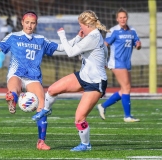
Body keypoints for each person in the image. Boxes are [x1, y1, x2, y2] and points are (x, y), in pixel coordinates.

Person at [0, 11, 67, 150]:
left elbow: (61, 48)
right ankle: (12, 99)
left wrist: (77, 39)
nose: (30, 26)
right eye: (27, 22)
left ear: (36, 24)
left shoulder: (41, 39)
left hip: (33, 77)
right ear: (22, 22)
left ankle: (41, 142)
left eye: (33, 23)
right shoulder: (13, 37)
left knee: (42, 104)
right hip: (16, 74)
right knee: (14, 90)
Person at [32, 10, 110, 151]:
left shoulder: (93, 37)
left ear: (87, 25)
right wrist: (104, 61)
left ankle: (86, 145)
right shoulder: (93, 36)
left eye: (81, 26)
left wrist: (62, 35)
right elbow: (104, 50)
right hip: (83, 76)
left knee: (79, 118)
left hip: (95, 82)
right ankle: (46, 110)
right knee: (52, 90)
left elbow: (70, 53)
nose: (81, 29)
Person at [96, 8, 142, 122]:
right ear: (117, 19)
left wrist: (138, 44)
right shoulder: (114, 31)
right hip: (116, 62)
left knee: (124, 89)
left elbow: (137, 43)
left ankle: (103, 106)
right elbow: (104, 45)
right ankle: (127, 116)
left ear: (127, 18)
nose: (122, 19)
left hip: (127, 63)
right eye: (120, 17)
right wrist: (103, 60)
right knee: (126, 88)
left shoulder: (132, 30)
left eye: (124, 17)